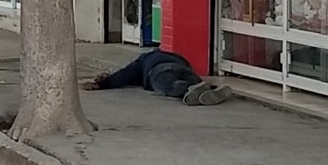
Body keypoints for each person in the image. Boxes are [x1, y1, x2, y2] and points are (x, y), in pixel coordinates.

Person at [81, 47, 234, 105]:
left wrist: (102, 84)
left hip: (159, 71)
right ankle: (209, 90)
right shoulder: (172, 54)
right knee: (189, 79)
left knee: (169, 85)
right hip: (183, 68)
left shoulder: (144, 59)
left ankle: (190, 88)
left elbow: (125, 75)